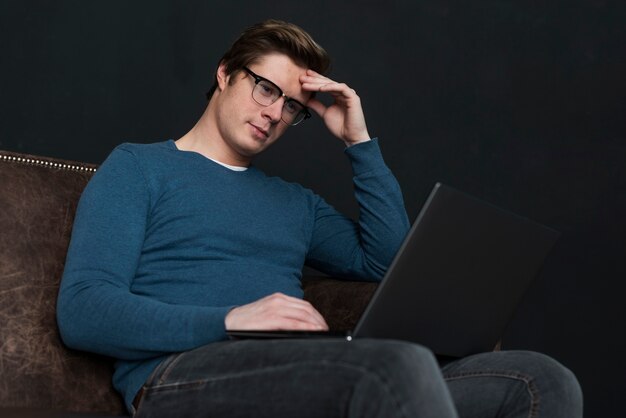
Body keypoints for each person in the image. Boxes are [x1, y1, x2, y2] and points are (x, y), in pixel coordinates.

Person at [57, 19, 582, 417]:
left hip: (308, 371)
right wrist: (229, 320)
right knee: (392, 366)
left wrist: (359, 141)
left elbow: (386, 263)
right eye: (266, 88)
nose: (274, 113)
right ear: (224, 74)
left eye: (292, 107)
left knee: (541, 379)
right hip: (177, 376)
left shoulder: (294, 202)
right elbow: (84, 310)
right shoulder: (139, 167)